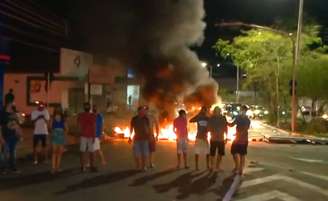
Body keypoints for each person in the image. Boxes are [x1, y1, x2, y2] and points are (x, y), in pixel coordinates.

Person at [228, 105, 251, 175]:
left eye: (242, 110)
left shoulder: (247, 120)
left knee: (242, 154)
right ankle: (237, 166)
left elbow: (246, 129)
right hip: (238, 139)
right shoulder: (238, 118)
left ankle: (240, 169)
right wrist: (225, 122)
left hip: (242, 139)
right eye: (241, 110)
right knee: (233, 152)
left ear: (245, 111)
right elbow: (232, 124)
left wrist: (239, 134)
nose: (241, 111)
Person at [0, 103, 22, 173]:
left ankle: (13, 167)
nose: (11, 106)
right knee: (5, 153)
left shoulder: (15, 114)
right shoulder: (2, 115)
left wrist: (19, 116)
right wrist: (1, 138)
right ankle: (3, 168)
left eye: (12, 106)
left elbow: (20, 122)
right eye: (10, 105)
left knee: (13, 153)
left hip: (14, 136)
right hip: (5, 136)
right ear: (7, 105)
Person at [129, 106, 151, 171]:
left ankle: (143, 166)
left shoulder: (146, 119)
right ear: (138, 111)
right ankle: (138, 166)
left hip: (145, 138)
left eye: (144, 111)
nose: (143, 112)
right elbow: (131, 128)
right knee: (136, 153)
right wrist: (129, 137)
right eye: (142, 110)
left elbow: (149, 128)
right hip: (137, 139)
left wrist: (150, 136)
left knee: (144, 153)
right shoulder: (134, 119)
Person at [78, 102, 97, 172]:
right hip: (88, 136)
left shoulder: (81, 115)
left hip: (85, 136)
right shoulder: (92, 115)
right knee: (89, 152)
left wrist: (79, 134)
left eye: (87, 106)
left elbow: (79, 126)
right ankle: (89, 166)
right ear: (90, 108)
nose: (87, 107)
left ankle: (85, 167)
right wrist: (94, 136)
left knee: (84, 152)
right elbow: (94, 126)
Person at [190, 106, 210, 170]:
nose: (204, 111)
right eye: (203, 110)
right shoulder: (199, 117)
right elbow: (191, 120)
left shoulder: (208, 118)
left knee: (207, 153)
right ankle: (196, 166)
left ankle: (208, 166)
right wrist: (198, 116)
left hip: (205, 137)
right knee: (197, 152)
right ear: (201, 111)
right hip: (198, 137)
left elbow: (212, 125)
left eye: (205, 110)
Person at [208, 106, 228, 172]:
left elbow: (226, 127)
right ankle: (212, 166)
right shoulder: (211, 118)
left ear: (220, 111)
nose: (217, 112)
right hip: (214, 139)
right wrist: (212, 132)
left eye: (218, 110)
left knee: (220, 153)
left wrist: (226, 137)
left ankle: (217, 166)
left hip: (220, 139)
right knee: (212, 153)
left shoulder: (223, 118)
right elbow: (208, 128)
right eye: (216, 111)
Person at [50, 106, 66, 174]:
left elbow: (67, 128)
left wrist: (63, 134)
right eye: (57, 108)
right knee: (54, 152)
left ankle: (57, 167)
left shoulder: (63, 119)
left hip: (61, 136)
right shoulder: (52, 118)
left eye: (59, 109)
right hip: (55, 135)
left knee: (59, 153)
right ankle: (53, 168)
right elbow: (50, 127)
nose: (58, 110)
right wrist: (53, 133)